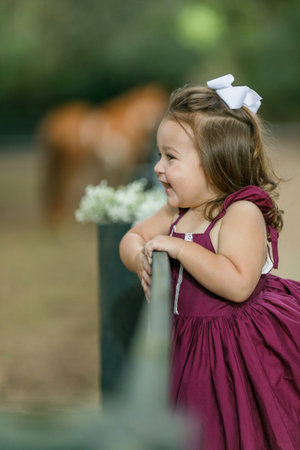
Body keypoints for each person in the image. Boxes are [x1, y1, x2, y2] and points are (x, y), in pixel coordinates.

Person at [119, 74, 300, 450]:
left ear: (216, 162)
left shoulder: (240, 213)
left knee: (237, 423)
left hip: (237, 346)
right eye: (158, 154)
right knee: (193, 424)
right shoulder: (176, 209)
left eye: (170, 157)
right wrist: (140, 256)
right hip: (190, 340)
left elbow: (238, 283)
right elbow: (132, 237)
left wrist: (181, 248)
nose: (158, 167)